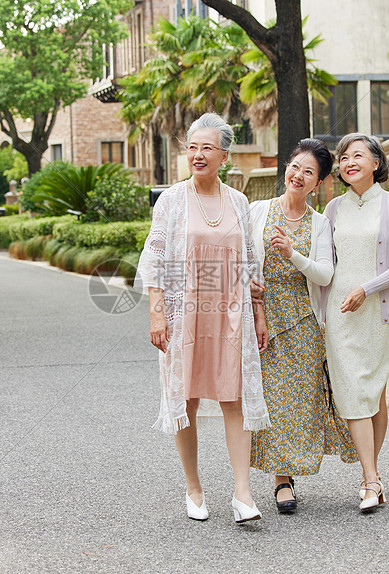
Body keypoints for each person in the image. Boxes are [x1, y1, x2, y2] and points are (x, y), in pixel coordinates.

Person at [137, 112, 271, 524]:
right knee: (187, 399)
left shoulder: (239, 201)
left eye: (206, 147)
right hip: (185, 314)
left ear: (224, 155)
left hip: (231, 314)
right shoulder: (172, 200)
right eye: (192, 147)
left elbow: (249, 263)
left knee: (234, 397)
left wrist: (259, 312)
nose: (197, 154)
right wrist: (158, 314)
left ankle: (242, 493)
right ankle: (193, 488)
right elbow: (156, 259)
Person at [248, 139, 358, 514]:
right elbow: (242, 259)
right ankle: (281, 480)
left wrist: (292, 253)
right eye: (295, 166)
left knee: (298, 402)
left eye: (308, 172)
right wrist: (249, 290)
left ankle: (289, 472)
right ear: (286, 168)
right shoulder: (258, 211)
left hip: (304, 322)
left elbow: (325, 275)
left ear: (318, 183)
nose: (298, 175)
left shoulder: (319, 223)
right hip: (263, 320)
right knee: (271, 401)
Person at [321, 133, 389, 512]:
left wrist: (366, 288)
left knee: (374, 396)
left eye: (357, 155)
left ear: (376, 163)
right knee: (354, 393)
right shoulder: (331, 210)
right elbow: (325, 266)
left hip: (380, 313)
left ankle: (368, 478)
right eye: (343, 157)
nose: (348, 162)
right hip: (341, 315)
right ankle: (373, 480)